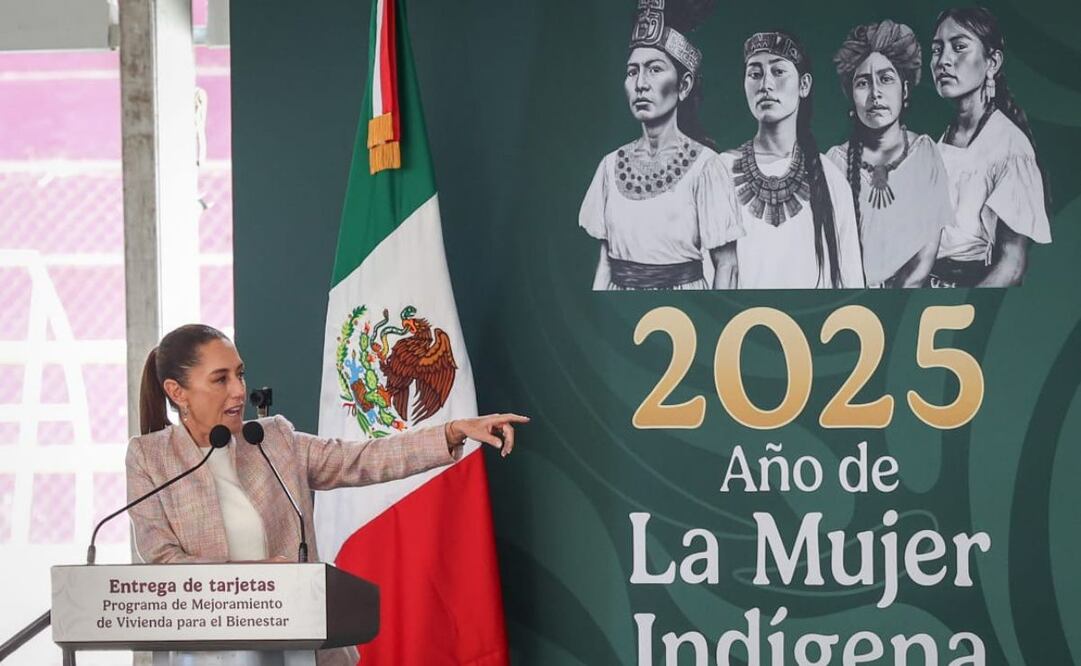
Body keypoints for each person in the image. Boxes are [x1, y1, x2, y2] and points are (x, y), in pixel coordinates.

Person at [128, 324, 527, 666]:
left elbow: (362, 460)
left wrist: (451, 430)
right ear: (177, 392)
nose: (238, 391)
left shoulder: (272, 439)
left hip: (304, 654)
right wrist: (250, 580)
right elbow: (164, 561)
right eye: (220, 379)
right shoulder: (149, 459)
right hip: (211, 656)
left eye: (240, 375)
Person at [579, 0, 743, 290]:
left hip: (686, 317)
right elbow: (604, 264)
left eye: (654, 69)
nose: (641, 83)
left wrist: (712, 329)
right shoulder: (609, 166)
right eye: (632, 72)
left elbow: (727, 266)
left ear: (684, 85)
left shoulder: (706, 167)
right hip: (622, 315)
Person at [715, 30, 865, 289]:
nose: (766, 85)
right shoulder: (719, 172)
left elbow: (850, 283)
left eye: (778, 71)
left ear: (804, 85)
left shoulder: (830, 177)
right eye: (755, 73)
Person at [929, 7, 1051, 287]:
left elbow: (1012, 266)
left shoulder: (1009, 147)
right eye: (937, 50)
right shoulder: (940, 140)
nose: (944, 60)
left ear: (992, 62)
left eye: (959, 47)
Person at [827, 19, 953, 288]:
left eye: (886, 79)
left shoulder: (924, 154)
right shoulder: (834, 164)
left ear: (904, 89)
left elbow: (924, 258)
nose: (876, 94)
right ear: (851, 95)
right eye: (863, 83)